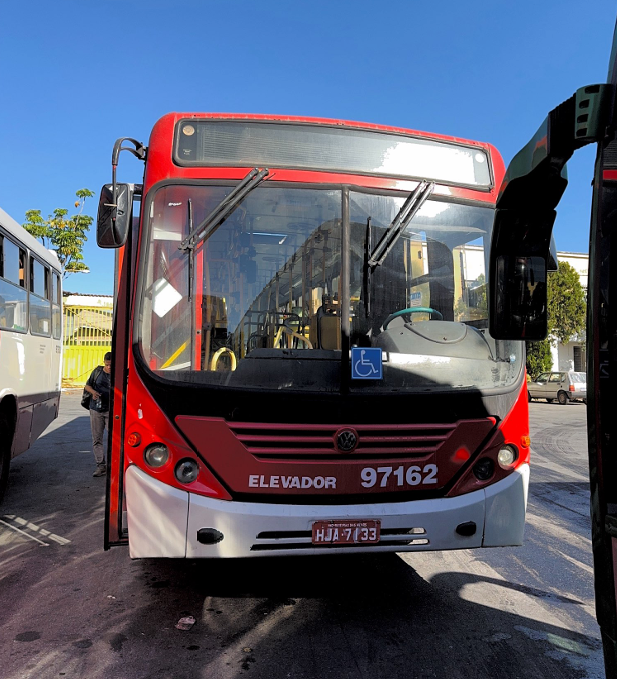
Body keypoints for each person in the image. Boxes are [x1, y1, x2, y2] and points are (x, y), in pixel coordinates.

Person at [84, 352, 112, 477]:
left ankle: (115, 465)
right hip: (96, 410)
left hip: (111, 411)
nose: (109, 367)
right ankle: (101, 466)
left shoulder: (119, 374)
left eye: (111, 365)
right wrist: (93, 392)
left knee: (115, 439)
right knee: (97, 439)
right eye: (107, 365)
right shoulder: (97, 372)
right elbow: (87, 386)